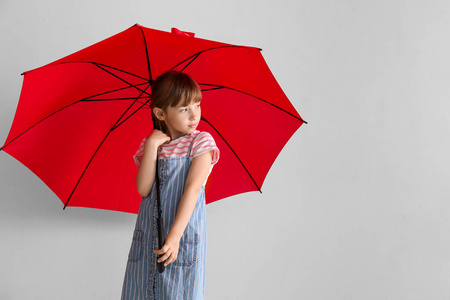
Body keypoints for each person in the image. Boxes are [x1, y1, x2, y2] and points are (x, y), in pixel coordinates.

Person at [121, 71, 220, 300]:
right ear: (160, 113)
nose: (194, 115)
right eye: (184, 109)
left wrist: (174, 236)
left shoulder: (201, 141)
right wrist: (152, 147)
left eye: (197, 105)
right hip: (148, 238)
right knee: (141, 292)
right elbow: (144, 189)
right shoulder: (151, 144)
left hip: (181, 236)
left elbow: (192, 189)